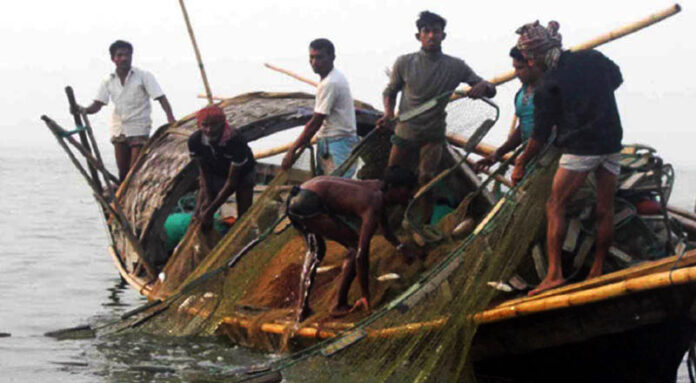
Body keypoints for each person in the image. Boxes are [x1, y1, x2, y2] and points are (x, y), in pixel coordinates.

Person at [510, 21, 624, 295]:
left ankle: (554, 274)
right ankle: (596, 270)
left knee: (555, 204)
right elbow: (616, 79)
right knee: (604, 209)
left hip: (581, 148)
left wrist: (521, 162)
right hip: (611, 141)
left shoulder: (548, 85)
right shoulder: (592, 57)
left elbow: (537, 137)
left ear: (533, 57)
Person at [376, 11, 496, 222]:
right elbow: (390, 91)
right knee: (390, 177)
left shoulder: (456, 66)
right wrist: (388, 112)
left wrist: (483, 87)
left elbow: (489, 88)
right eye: (427, 31)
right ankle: (383, 222)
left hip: (433, 134)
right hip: (405, 130)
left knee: (427, 178)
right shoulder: (404, 62)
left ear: (443, 36)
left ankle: (424, 224)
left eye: (436, 31)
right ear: (418, 36)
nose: (431, 35)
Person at [287, 166, 419, 320]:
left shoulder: (378, 188)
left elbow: (385, 228)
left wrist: (400, 247)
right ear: (394, 188)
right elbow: (361, 256)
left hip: (300, 196)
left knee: (316, 251)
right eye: (408, 189)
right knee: (354, 248)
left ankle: (302, 309)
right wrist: (365, 295)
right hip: (309, 202)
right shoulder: (374, 204)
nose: (411, 194)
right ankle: (338, 304)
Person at [77, 40, 176, 182]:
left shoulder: (143, 76)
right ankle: (123, 197)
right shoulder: (108, 80)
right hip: (119, 127)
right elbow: (97, 105)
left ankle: (130, 192)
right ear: (113, 59)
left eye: (127, 55)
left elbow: (161, 98)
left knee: (134, 168)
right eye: (120, 55)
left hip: (139, 126)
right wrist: (82, 110)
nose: (124, 58)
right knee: (123, 170)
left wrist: (170, 118)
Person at [281, 38, 359, 177]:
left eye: (320, 57)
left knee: (336, 189)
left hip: (337, 143)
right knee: (327, 189)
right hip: (330, 141)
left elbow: (315, 122)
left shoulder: (331, 82)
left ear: (332, 57)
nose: (315, 62)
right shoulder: (330, 79)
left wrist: (292, 149)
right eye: (311, 57)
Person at [475, 46, 543, 172]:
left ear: (533, 64)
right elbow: (523, 126)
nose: (516, 73)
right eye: (515, 68)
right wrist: (496, 154)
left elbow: (543, 131)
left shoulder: (549, 91)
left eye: (520, 68)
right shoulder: (521, 93)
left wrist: (522, 161)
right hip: (532, 160)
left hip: (551, 157)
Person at [188, 105, 256, 230]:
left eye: (214, 125)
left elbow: (232, 182)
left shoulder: (235, 140)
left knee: (244, 217)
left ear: (223, 123)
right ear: (198, 125)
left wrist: (211, 210)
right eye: (205, 125)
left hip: (242, 174)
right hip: (216, 172)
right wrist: (208, 200)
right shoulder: (195, 141)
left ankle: (242, 239)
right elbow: (203, 172)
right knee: (200, 213)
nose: (209, 130)